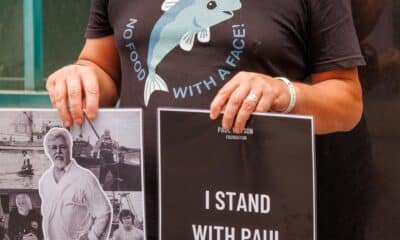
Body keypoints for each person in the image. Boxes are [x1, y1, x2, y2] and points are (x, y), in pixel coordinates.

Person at [46, 1, 368, 239]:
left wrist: (284, 93)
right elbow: (101, 67)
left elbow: (347, 100)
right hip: (152, 213)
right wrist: (81, 77)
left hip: (254, 212)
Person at [39, 127, 112, 240]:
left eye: (62, 147)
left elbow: (104, 211)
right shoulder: (45, 180)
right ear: (48, 151)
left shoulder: (84, 177)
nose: (58, 151)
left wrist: (92, 236)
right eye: (53, 147)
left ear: (70, 148)